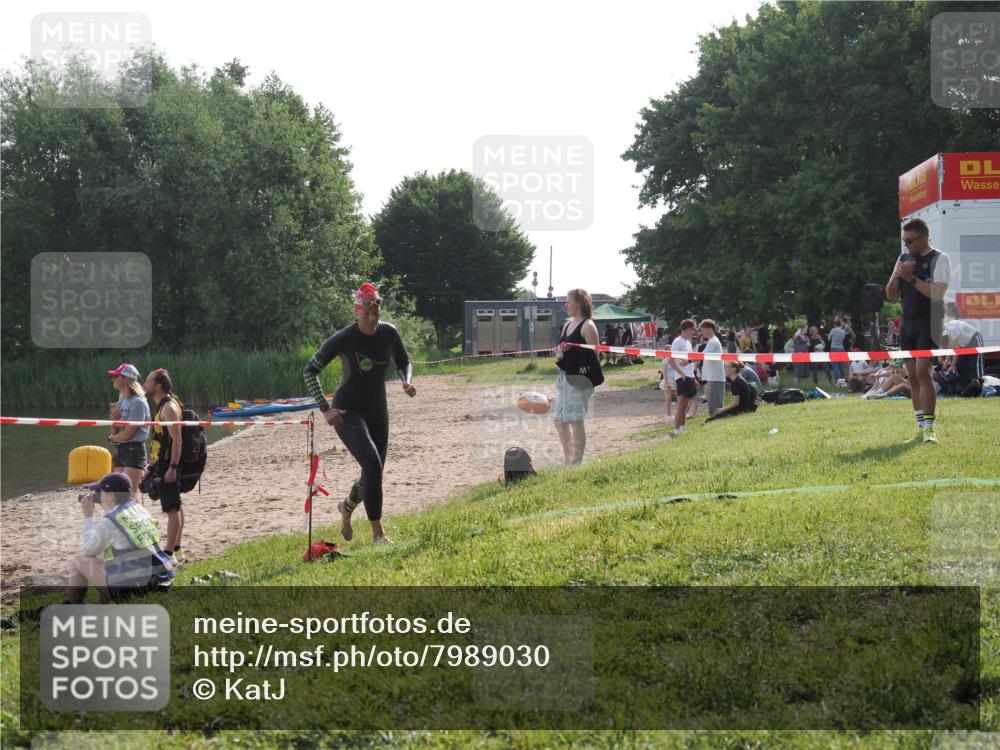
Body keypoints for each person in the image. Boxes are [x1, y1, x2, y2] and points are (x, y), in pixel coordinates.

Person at [303, 283, 415, 545]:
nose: (373, 319)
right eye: (367, 314)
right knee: (372, 465)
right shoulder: (344, 338)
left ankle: (346, 507)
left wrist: (406, 381)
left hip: (377, 410)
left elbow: (404, 361)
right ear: (356, 312)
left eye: (376, 313)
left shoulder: (389, 333)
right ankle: (378, 535)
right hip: (347, 412)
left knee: (373, 472)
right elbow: (310, 371)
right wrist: (325, 408)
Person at [886, 217, 952, 443]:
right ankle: (921, 427)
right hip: (907, 324)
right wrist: (898, 274)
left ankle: (930, 429)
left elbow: (937, 294)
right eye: (904, 241)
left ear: (924, 238)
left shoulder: (940, 258)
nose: (907, 246)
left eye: (910, 241)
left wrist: (910, 278)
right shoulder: (903, 259)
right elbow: (890, 294)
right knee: (912, 376)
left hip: (929, 322)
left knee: (924, 372)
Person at [66, 472, 174, 604]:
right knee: (108, 557)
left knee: (78, 561)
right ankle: (102, 605)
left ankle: (71, 606)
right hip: (163, 580)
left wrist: (88, 517)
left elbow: (89, 550)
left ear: (111, 495)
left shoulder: (110, 520)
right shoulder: (140, 510)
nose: (98, 496)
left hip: (139, 588)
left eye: (100, 492)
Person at [553, 288, 601, 464]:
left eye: (568, 302)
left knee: (575, 420)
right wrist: (561, 352)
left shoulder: (588, 326)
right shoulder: (567, 325)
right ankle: (569, 459)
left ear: (579, 304)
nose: (565, 305)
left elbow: (595, 357)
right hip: (563, 377)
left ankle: (577, 461)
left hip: (580, 379)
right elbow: (561, 354)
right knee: (560, 421)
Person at [141, 368, 184, 560]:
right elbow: (160, 440)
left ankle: (168, 554)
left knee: (171, 509)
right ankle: (177, 550)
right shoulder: (162, 406)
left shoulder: (168, 408)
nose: (145, 385)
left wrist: (173, 468)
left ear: (158, 386)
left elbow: (177, 440)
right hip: (161, 462)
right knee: (176, 506)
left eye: (148, 381)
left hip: (168, 464)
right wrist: (150, 467)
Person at [106, 363, 150, 502]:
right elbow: (116, 431)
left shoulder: (138, 402)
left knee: (129, 495)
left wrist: (112, 438)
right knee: (119, 496)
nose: (112, 379)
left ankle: (140, 516)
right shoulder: (121, 402)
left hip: (134, 450)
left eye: (115, 376)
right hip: (120, 449)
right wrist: (113, 421)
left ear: (125, 378)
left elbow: (129, 434)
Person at [667, 319, 699, 438]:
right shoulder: (677, 341)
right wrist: (682, 374)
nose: (694, 331)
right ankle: (676, 430)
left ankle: (682, 429)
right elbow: (671, 361)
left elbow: (689, 361)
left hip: (689, 376)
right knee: (681, 405)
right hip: (682, 377)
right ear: (688, 329)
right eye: (693, 329)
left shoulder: (688, 342)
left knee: (685, 405)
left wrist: (693, 377)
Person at [941, 303, 985, 388]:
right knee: (961, 365)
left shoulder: (951, 328)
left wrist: (952, 365)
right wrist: (946, 362)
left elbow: (956, 348)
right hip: (964, 344)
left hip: (974, 339)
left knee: (975, 365)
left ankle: (981, 388)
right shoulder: (946, 330)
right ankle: (966, 389)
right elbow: (951, 347)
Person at [699, 319, 726, 418]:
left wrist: (688, 361)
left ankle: (715, 420)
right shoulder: (711, 341)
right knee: (712, 403)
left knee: (715, 405)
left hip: (715, 377)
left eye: (703, 330)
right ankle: (713, 419)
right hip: (713, 377)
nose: (701, 333)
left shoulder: (713, 342)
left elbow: (702, 356)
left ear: (709, 329)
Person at [827, 318, 848, 382]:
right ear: (840, 324)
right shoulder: (843, 331)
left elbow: (828, 338)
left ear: (834, 324)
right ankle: (842, 379)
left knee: (835, 365)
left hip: (834, 348)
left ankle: (837, 380)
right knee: (841, 365)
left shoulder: (833, 330)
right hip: (841, 348)